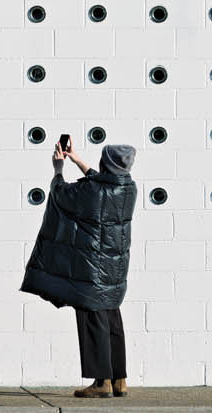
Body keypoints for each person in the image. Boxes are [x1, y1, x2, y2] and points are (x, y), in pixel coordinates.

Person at [21, 135, 138, 398]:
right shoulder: (129, 188)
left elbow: (60, 194)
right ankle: (119, 379)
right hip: (115, 271)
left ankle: (101, 383)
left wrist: (58, 169)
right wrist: (76, 160)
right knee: (112, 320)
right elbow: (101, 179)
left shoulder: (92, 192)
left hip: (92, 271)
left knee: (93, 320)